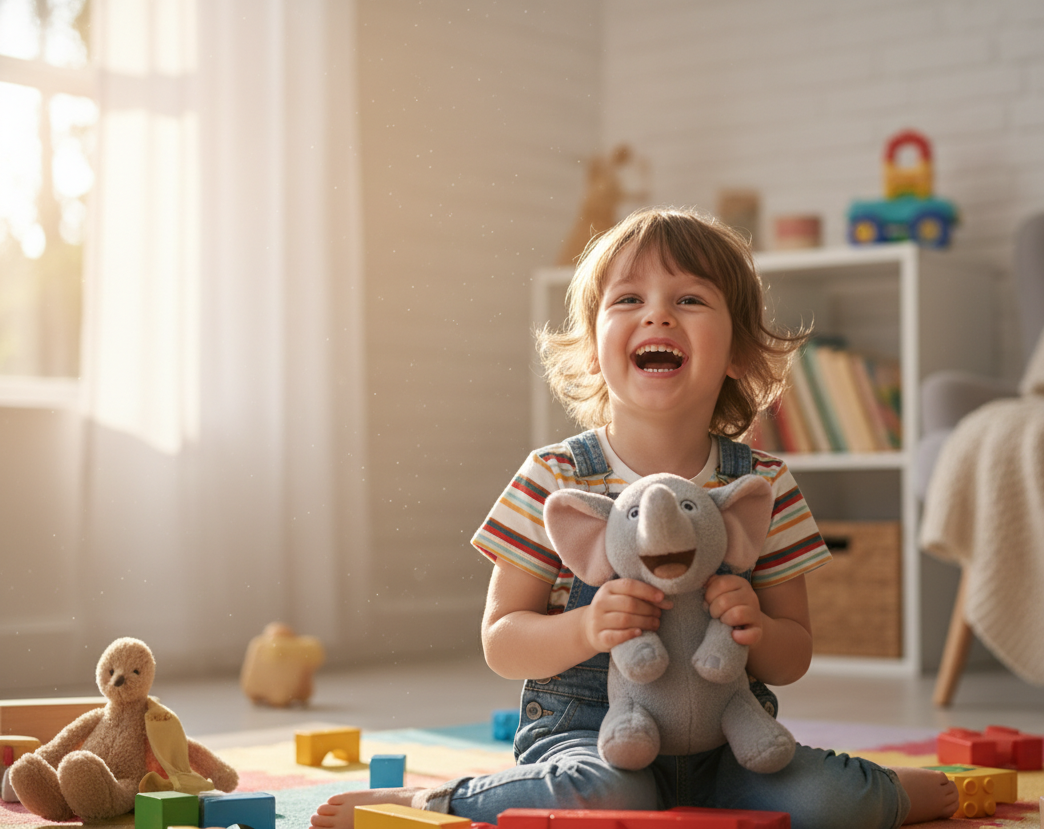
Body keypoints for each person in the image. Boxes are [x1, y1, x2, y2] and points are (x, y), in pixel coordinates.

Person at [309, 207, 957, 829]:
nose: (658, 316)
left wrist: (755, 624)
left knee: (830, 805)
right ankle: (435, 800)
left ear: (737, 351)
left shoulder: (762, 484)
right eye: (628, 300)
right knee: (606, 795)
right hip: (591, 736)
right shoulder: (555, 477)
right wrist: (590, 625)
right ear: (593, 349)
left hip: (730, 741)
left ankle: (885, 791)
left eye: (691, 300)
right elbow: (503, 641)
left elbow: (793, 656)